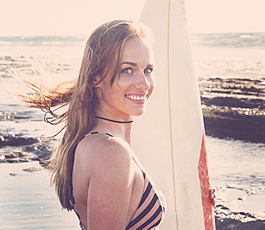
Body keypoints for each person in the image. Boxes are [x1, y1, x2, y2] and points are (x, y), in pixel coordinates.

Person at [18, 20, 166, 229]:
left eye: (148, 70)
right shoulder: (110, 153)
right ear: (95, 77)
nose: (144, 84)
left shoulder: (99, 143)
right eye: (127, 70)